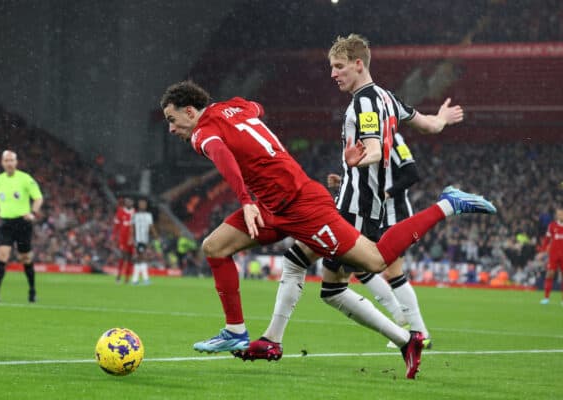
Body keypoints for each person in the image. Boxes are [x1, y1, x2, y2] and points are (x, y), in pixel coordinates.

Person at [160, 80, 495, 379]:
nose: (172, 129)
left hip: (304, 207)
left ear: (191, 111)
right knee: (215, 247)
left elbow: (222, 155)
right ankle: (244, 333)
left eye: (173, 120)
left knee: (375, 262)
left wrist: (244, 198)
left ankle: (449, 204)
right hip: (275, 205)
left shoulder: (203, 131)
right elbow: (256, 109)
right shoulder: (234, 105)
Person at [237, 34, 468, 364]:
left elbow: (373, 149)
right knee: (332, 288)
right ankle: (407, 339)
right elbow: (429, 126)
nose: (333, 74)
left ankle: (273, 341)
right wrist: (442, 119)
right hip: (359, 205)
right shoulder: (389, 98)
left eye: (339, 66)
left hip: (352, 209)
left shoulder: (364, 102)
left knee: (300, 262)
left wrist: (359, 160)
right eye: (332, 67)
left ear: (359, 65)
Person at [326, 131, 431, 349]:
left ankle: (419, 331)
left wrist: (387, 194)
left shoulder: (394, 139)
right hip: (375, 215)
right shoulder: (365, 139)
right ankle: (400, 318)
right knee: (359, 267)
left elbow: (412, 174)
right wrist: (344, 182)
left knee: (392, 272)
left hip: (395, 215)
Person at [0, 150, 43, 303]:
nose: (9, 163)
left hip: (23, 223)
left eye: (12, 160)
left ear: (16, 162)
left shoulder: (25, 178)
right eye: (6, 160)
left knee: (25, 257)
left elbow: (38, 197)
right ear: (2, 163)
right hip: (5, 222)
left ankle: (32, 290)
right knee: (1, 254)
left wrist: (33, 213)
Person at [130, 198, 158, 285]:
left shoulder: (148, 215)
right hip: (138, 240)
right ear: (138, 205)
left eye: (144, 204)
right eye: (141, 204)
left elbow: (151, 226)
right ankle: (144, 279)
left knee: (140, 259)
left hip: (145, 239)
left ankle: (135, 280)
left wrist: (155, 235)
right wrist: (131, 238)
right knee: (142, 258)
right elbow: (132, 227)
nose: (143, 205)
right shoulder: (135, 215)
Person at [539, 207, 563, 304]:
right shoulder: (552, 226)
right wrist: (543, 250)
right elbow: (547, 239)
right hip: (553, 254)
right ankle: (546, 298)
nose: (560, 215)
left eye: (562, 214)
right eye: (559, 214)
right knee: (550, 274)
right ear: (556, 215)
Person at [112, 197, 135, 283]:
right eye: (127, 202)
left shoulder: (134, 212)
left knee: (130, 258)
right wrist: (113, 236)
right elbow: (116, 225)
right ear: (125, 203)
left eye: (130, 202)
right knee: (123, 256)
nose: (129, 203)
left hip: (132, 239)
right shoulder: (120, 211)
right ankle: (118, 276)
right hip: (123, 239)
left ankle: (127, 278)